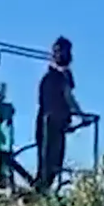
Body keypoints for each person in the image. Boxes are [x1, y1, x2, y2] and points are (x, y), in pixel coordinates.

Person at [34, 37, 81, 193]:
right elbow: (68, 97)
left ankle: (43, 186)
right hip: (51, 121)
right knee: (49, 160)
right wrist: (80, 115)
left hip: (53, 122)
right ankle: (42, 187)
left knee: (51, 162)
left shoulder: (59, 76)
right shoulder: (55, 77)